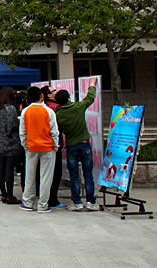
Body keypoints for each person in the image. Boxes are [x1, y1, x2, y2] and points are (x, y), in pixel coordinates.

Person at [56, 77, 100, 211]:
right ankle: (91, 202)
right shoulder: (78, 107)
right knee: (88, 174)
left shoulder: (58, 115)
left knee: (74, 175)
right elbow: (90, 98)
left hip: (71, 146)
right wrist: (92, 84)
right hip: (84, 143)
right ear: (69, 98)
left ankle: (77, 202)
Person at [19, 86, 59, 213]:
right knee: (46, 177)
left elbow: (22, 132)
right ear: (42, 96)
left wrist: (25, 145)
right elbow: (54, 131)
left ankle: (28, 202)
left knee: (30, 176)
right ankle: (43, 204)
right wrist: (56, 146)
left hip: (31, 147)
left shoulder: (25, 112)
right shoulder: (49, 111)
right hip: (47, 147)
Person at [0, 87, 22, 204]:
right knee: (9, 170)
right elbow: (12, 126)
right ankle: (9, 195)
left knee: (1, 168)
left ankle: (3, 194)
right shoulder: (11, 109)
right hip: (10, 142)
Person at [41, 86, 65, 209]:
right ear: (49, 95)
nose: (56, 91)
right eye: (53, 90)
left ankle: (44, 197)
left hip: (41, 144)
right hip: (54, 144)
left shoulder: (41, 107)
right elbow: (57, 129)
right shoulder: (56, 108)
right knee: (55, 173)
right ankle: (52, 199)